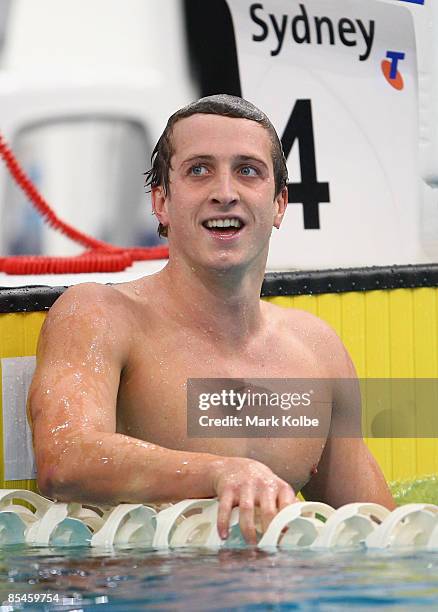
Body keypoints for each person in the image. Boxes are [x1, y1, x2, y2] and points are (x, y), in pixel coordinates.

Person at [28, 95, 395, 544]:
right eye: (199, 170)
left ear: (279, 204)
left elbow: (380, 535)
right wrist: (220, 472)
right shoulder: (101, 316)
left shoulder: (314, 350)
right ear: (161, 202)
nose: (225, 192)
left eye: (248, 170)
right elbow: (64, 458)